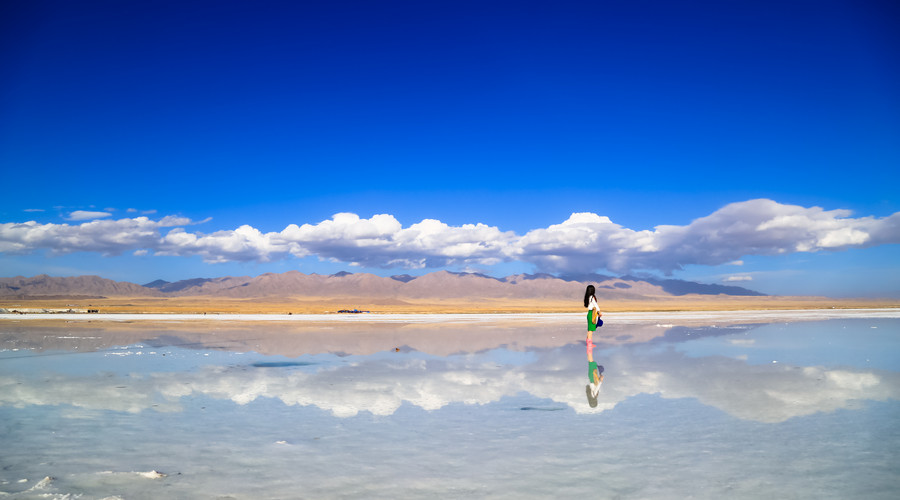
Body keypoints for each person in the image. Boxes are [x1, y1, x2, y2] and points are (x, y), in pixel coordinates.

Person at [585, 334, 604, 407]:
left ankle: (589, 344)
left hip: (593, 377)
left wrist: (601, 380)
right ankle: (588, 344)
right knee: (590, 361)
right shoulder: (589, 395)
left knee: (591, 361)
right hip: (591, 378)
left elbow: (597, 387)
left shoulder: (594, 396)